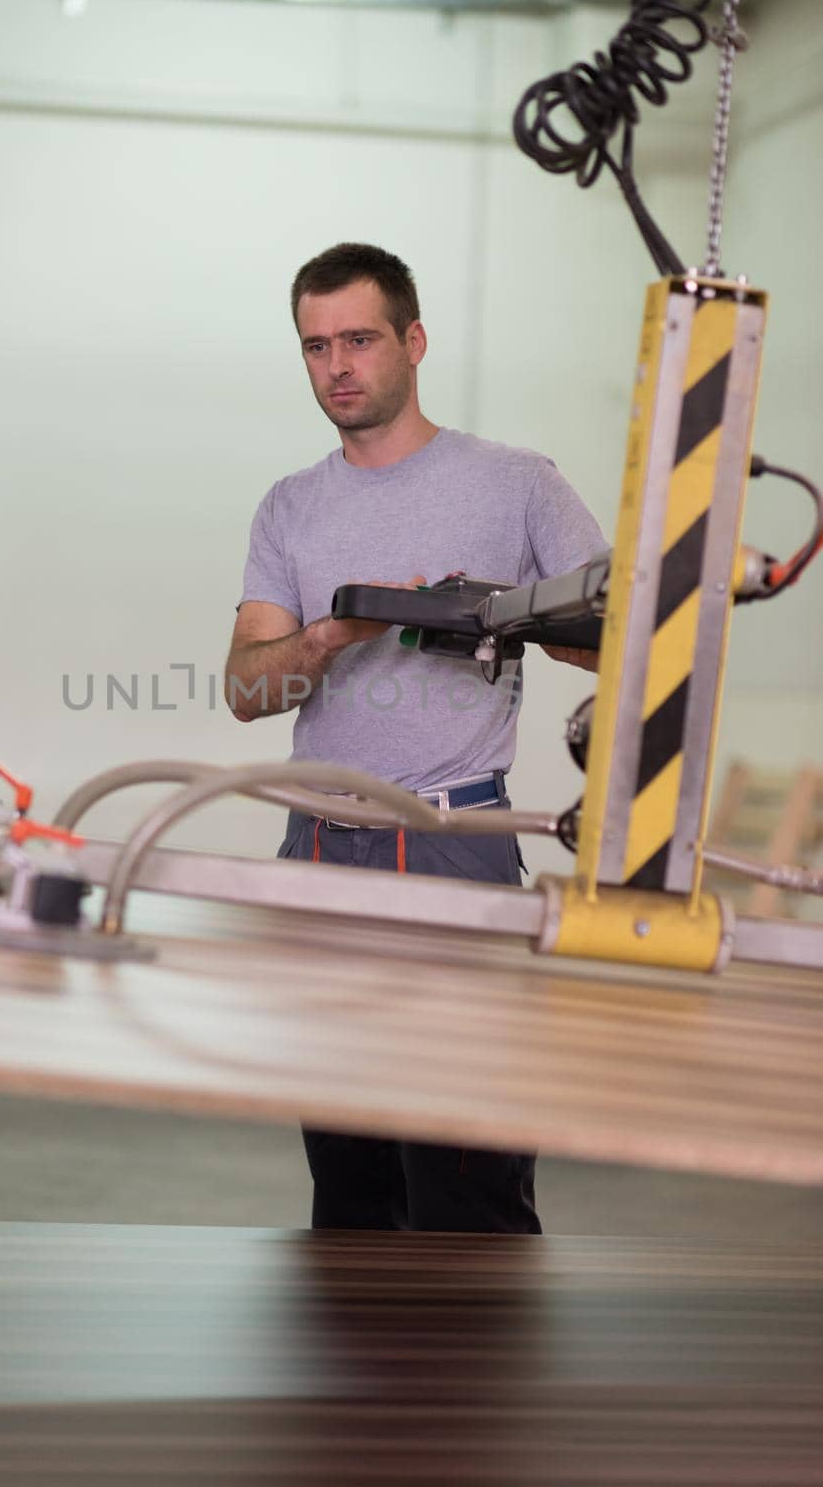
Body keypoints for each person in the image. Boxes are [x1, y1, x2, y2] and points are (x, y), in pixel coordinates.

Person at [224, 241, 606, 1233]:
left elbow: (626, 639)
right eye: (315, 347)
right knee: (349, 1186)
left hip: (452, 849)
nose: (337, 366)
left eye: (359, 338)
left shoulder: (517, 484)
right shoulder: (291, 506)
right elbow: (246, 688)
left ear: (414, 341)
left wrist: (498, 615)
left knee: (467, 1177)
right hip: (318, 852)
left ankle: (477, 1386)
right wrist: (332, 633)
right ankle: (358, 1387)